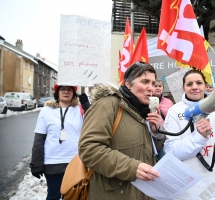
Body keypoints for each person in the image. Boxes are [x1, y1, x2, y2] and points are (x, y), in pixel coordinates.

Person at [78, 62, 165, 200]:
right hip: (115, 194)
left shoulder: (145, 110)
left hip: (144, 193)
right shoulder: (108, 104)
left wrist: (156, 132)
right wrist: (132, 168)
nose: (151, 88)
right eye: (145, 81)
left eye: (153, 83)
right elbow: (89, 149)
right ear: (128, 84)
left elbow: (147, 150)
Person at [163, 70, 215, 199]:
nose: (194, 87)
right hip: (193, 191)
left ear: (206, 86)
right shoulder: (175, 111)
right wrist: (198, 137)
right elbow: (171, 152)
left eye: (199, 83)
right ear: (183, 88)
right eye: (189, 84)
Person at [30, 84, 90, 200]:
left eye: (69, 90)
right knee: (54, 196)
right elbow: (39, 139)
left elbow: (94, 122)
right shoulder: (46, 111)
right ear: (57, 93)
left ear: (73, 93)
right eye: (63, 89)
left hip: (76, 162)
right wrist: (36, 163)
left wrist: (86, 105)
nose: (66, 92)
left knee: (75, 196)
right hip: (53, 162)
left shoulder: (80, 109)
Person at [153, 78, 173, 160]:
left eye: (160, 86)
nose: (158, 88)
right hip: (151, 135)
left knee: (162, 159)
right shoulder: (146, 101)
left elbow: (172, 118)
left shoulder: (169, 102)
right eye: (155, 86)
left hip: (164, 136)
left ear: (163, 88)